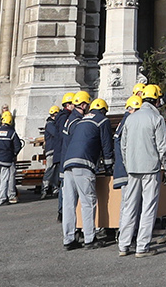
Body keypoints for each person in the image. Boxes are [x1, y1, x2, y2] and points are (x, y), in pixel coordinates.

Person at [116, 85, 166, 257]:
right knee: (148, 207)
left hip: (132, 169)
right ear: (157, 100)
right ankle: (142, 247)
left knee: (129, 206)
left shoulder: (131, 118)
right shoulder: (156, 118)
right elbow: (162, 146)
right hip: (150, 168)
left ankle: (123, 245)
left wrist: (127, 163)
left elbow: (123, 146)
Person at [59, 95, 114, 250]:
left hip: (68, 164)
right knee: (87, 202)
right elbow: (106, 145)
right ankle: (90, 239)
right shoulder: (102, 120)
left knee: (69, 203)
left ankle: (68, 239)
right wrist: (109, 167)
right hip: (83, 165)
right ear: (103, 111)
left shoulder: (80, 121)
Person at [40, 93, 77, 201]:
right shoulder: (53, 122)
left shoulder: (60, 119)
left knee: (56, 172)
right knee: (50, 171)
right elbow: (59, 134)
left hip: (55, 150)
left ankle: (54, 188)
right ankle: (45, 188)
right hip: (52, 151)